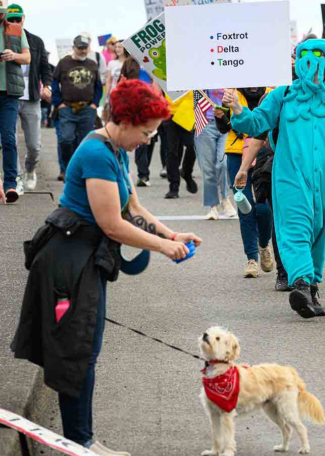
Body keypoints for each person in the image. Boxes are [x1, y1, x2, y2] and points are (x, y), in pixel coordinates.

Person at [11, 79, 202, 455]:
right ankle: (80, 442)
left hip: (84, 256)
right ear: (126, 120)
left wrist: (173, 234)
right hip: (68, 261)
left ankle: (81, 440)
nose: (148, 140)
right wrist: (164, 247)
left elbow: (135, 209)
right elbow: (112, 224)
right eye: (146, 132)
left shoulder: (115, 150)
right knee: (76, 351)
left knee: (83, 349)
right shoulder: (97, 153)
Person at [225, 39, 325, 319]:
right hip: (289, 175)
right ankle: (300, 281)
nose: (310, 59)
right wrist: (237, 109)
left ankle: (311, 288)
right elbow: (256, 125)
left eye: (318, 54)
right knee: (294, 227)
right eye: (304, 54)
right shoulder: (283, 95)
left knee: (320, 231)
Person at [215, 87, 277, 278]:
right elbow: (224, 128)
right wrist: (220, 116)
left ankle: (264, 244)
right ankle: (251, 258)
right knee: (244, 206)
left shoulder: (272, 92)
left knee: (264, 208)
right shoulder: (230, 93)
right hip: (236, 154)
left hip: (263, 152)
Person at [6, 4, 51, 193]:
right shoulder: (2, 38)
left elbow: (44, 67)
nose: (15, 23)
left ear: (23, 19)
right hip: (8, 96)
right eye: (11, 19)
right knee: (10, 140)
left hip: (31, 96)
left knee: (34, 144)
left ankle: (30, 169)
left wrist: (47, 86)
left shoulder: (35, 41)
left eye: (18, 19)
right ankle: (15, 177)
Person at [51, 35, 102, 175]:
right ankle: (66, 169)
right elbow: (54, 83)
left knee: (85, 142)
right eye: (80, 48)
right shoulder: (63, 63)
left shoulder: (92, 64)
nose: (82, 51)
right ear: (73, 48)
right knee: (66, 139)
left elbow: (98, 86)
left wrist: (95, 104)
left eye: (85, 48)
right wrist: (58, 103)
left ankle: (81, 171)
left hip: (87, 108)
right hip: (67, 108)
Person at [0, 0, 32, 203]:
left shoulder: (14, 30)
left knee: (8, 138)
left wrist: (14, 56)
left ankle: (10, 184)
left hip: (9, 93)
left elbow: (27, 58)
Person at [197, 89, 237, 220]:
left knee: (223, 163)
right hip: (205, 123)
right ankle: (212, 205)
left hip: (226, 123)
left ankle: (225, 199)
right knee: (207, 169)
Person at [163, 91, 198, 199]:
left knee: (193, 146)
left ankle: (186, 173)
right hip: (171, 112)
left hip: (189, 111)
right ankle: (173, 187)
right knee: (172, 151)